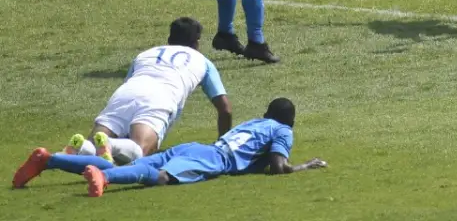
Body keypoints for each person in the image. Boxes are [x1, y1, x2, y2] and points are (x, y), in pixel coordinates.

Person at [12, 17, 232, 187]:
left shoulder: (145, 54)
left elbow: (130, 83)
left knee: (93, 149)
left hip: (126, 92)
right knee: (137, 154)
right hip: (159, 97)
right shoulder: (202, 61)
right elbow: (225, 108)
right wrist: (221, 147)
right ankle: (107, 145)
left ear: (169, 39)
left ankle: (50, 157)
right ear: (196, 42)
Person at [15, 99, 325, 198]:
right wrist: (303, 166)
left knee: (139, 167)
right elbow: (278, 165)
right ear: (291, 122)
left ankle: (49, 160)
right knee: (160, 176)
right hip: (213, 159)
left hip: (199, 146)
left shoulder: (258, 122)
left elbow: (259, 162)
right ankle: (105, 179)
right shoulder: (282, 129)